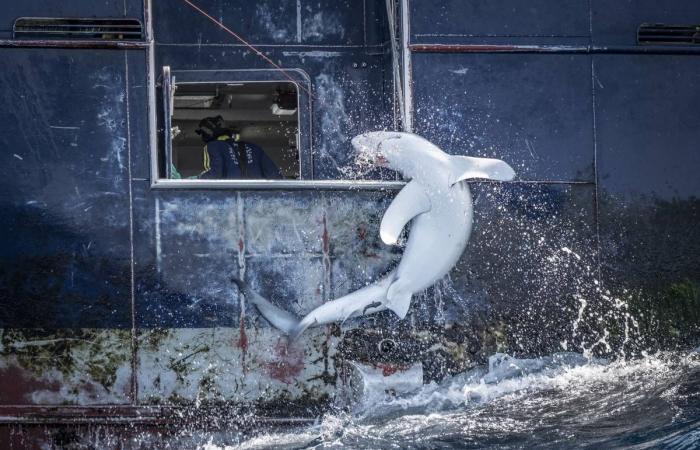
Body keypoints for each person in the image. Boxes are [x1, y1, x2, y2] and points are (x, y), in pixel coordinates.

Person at [195, 116, 283, 179]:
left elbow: (215, 175)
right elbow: (276, 176)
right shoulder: (253, 147)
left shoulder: (212, 146)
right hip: (256, 200)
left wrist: (197, 179)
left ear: (206, 135)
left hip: (230, 200)